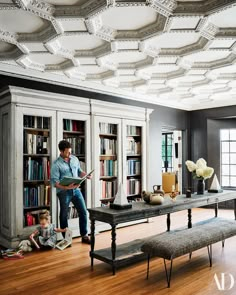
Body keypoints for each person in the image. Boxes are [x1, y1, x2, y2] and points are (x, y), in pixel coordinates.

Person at [51, 140, 92, 244]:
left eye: (70, 152)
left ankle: (84, 235)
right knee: (64, 215)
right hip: (64, 192)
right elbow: (55, 183)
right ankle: (66, 239)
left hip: (76, 190)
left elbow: (79, 171)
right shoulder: (56, 164)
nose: (69, 154)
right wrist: (66, 188)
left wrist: (86, 175)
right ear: (61, 151)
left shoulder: (74, 159)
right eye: (67, 152)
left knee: (83, 211)